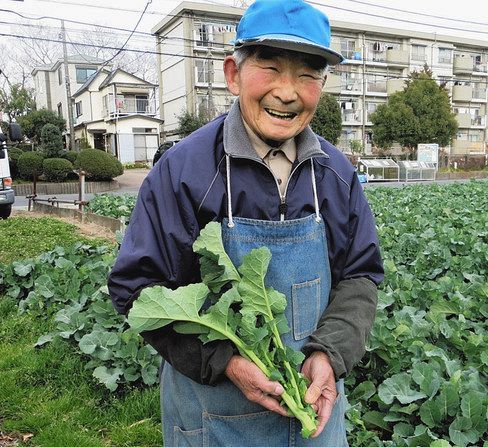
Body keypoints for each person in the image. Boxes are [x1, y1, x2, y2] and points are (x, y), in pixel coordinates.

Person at [108, 0, 384, 445]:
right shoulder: (183, 172)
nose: (287, 92)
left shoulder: (336, 174)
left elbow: (360, 273)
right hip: (214, 415)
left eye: (307, 75)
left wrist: (329, 354)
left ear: (322, 85)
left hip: (317, 409)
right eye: (270, 68)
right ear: (233, 75)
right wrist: (229, 362)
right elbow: (137, 287)